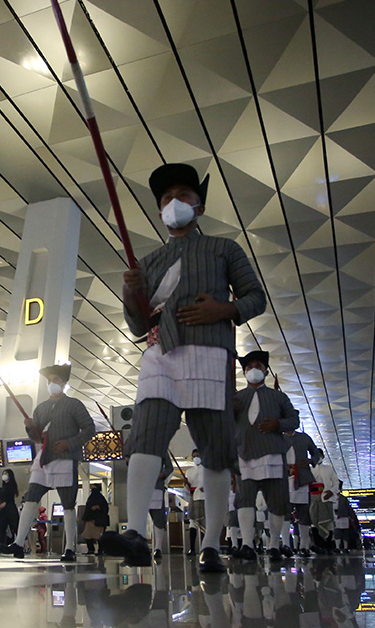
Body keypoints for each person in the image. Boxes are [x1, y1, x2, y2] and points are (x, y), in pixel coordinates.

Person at [104, 163, 266, 573]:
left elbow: (255, 297)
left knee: (214, 450)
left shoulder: (224, 249)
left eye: (183, 195)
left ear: (200, 204)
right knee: (145, 435)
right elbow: (140, 326)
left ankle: (211, 543)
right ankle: (135, 531)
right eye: (165, 198)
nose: (174, 202)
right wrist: (131, 294)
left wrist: (225, 308)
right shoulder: (148, 262)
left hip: (210, 352)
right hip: (161, 353)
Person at [2, 364, 95, 562]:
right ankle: (19, 543)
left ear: (64, 383)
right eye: (50, 380)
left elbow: (89, 429)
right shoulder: (41, 408)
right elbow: (36, 437)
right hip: (44, 458)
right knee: (31, 498)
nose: (52, 383)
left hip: (66, 459)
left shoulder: (74, 405)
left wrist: (70, 443)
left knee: (68, 504)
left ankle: (69, 548)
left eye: (56, 380)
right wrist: (30, 428)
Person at [232, 351, 299, 563]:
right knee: (245, 500)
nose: (254, 369)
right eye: (249, 366)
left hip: (273, 453)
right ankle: (247, 544)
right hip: (245, 454)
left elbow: (294, 420)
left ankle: (274, 545)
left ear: (266, 371)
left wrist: (278, 424)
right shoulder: (236, 398)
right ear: (244, 372)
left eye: (258, 366)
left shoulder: (279, 397)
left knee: (277, 501)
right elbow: (225, 423)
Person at [285, 427, 319, 556]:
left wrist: (310, 460)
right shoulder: (278, 437)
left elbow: (315, 453)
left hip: (302, 477)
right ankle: (286, 545)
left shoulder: (304, 437)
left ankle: (304, 545)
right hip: (284, 478)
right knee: (284, 512)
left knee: (303, 512)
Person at [309, 448, 339, 552]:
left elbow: (336, 482)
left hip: (326, 498)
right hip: (313, 499)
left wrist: (331, 491)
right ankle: (319, 545)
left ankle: (329, 545)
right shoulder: (309, 470)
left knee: (327, 522)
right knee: (314, 521)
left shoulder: (328, 469)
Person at [148, 454, 173, 560]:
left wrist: (162, 475)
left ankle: (158, 548)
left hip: (156, 488)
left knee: (158, 517)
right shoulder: (137, 447)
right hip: (140, 487)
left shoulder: (161, 449)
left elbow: (169, 467)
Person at [184, 449, 205, 556]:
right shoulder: (189, 472)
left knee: (205, 524)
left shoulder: (207, 470)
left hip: (205, 499)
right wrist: (186, 485)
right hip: (193, 498)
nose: (196, 458)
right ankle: (192, 548)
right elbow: (187, 489)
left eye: (198, 455)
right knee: (193, 522)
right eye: (194, 456)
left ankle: (206, 548)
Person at [81, 484, 109, 555]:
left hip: (95, 521)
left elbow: (104, 508)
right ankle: (97, 550)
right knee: (93, 536)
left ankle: (93, 550)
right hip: (94, 521)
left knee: (94, 536)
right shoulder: (100, 498)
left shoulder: (94, 498)